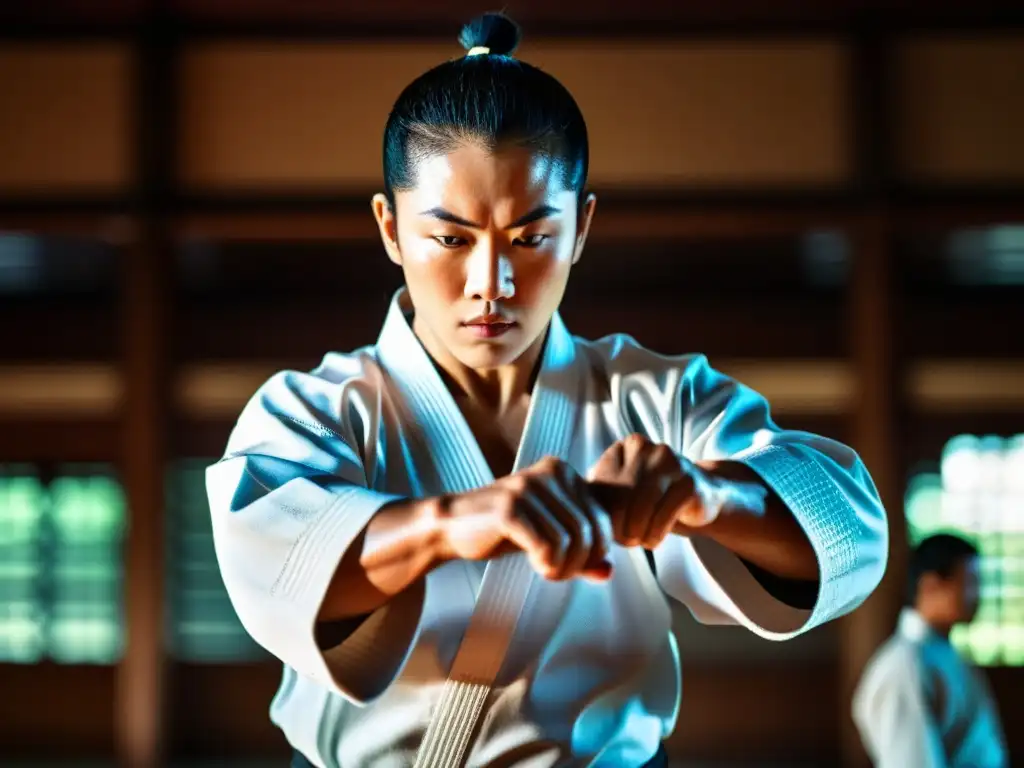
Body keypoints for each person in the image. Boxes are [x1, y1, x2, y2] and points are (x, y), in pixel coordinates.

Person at [206, 12, 888, 768]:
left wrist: (702, 496)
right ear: (391, 229)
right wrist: (451, 524)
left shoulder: (649, 399)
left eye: (530, 239)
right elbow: (272, 565)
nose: (491, 283)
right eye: (451, 238)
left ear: (583, 227)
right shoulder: (315, 410)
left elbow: (849, 531)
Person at [852, 534, 1008, 768]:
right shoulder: (903, 665)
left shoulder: (944, 655)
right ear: (931, 585)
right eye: (970, 582)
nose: (977, 594)